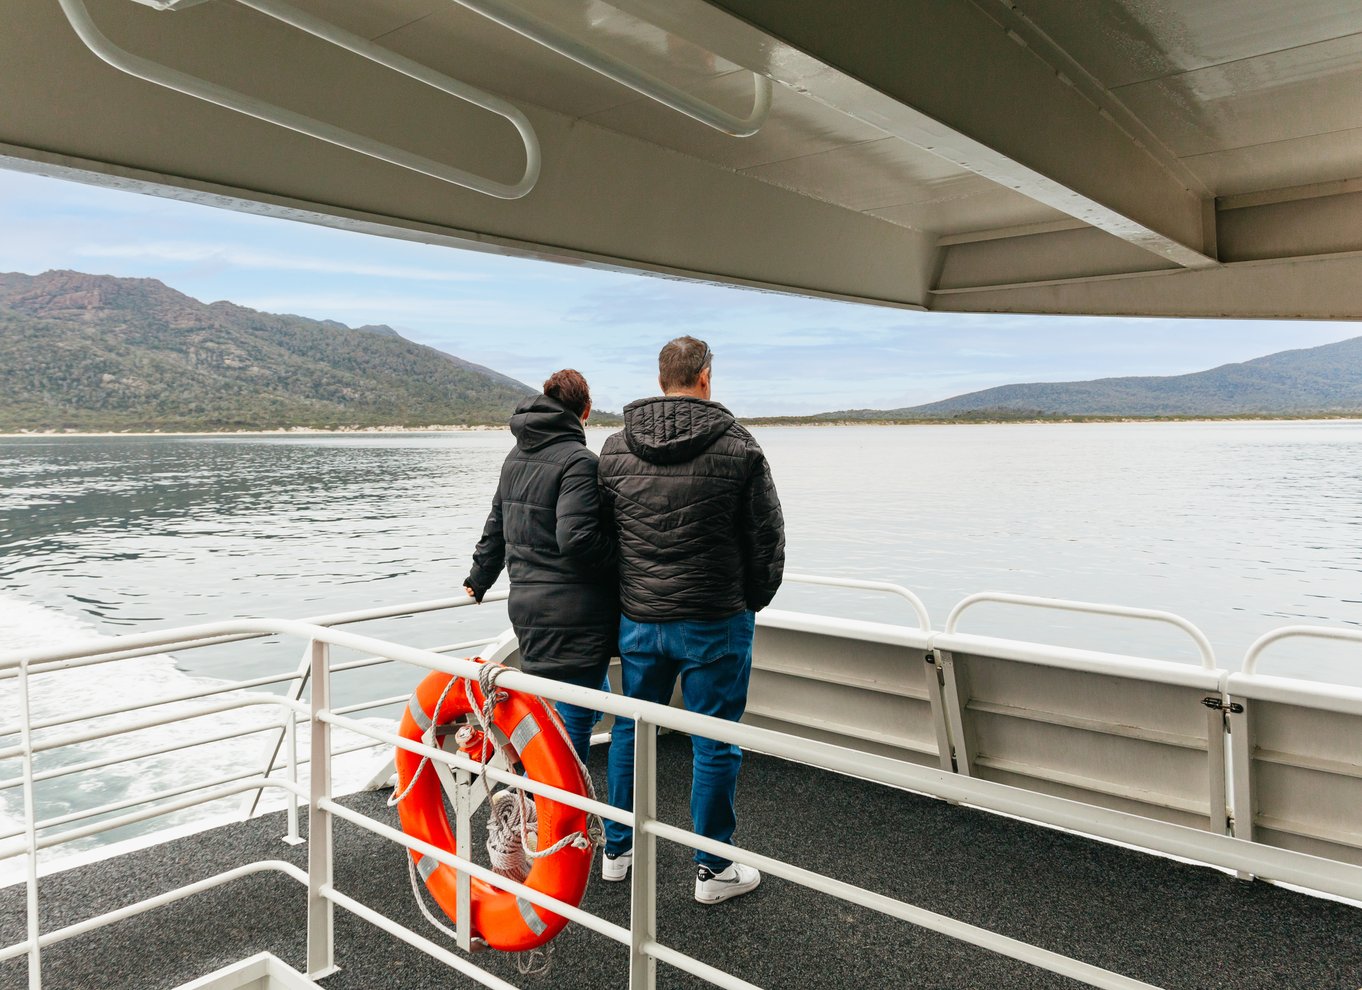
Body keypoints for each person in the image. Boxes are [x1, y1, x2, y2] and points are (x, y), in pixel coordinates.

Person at [597, 336, 785, 904]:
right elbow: (767, 542)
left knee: (630, 727)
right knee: (713, 742)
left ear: (661, 381)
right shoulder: (740, 446)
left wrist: (630, 594)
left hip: (640, 620)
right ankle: (713, 871)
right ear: (705, 377)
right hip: (715, 621)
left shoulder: (613, 449)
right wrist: (748, 600)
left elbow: (603, 540)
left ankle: (615, 851)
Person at [464, 369, 615, 763]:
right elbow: (578, 539)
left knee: (564, 712)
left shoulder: (514, 458)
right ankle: (563, 817)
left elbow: (496, 523)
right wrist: (624, 567)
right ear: (585, 410)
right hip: (574, 613)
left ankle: (543, 808)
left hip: (527, 608)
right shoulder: (579, 461)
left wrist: (479, 578)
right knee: (574, 723)